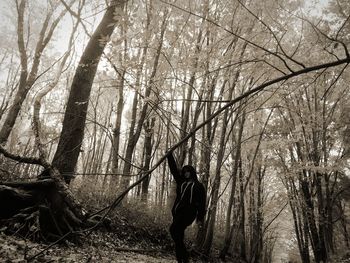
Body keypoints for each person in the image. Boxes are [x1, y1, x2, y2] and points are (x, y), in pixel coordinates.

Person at [167, 150, 206, 263]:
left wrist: (199, 218)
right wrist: (169, 156)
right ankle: (182, 259)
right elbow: (174, 170)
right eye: (184, 172)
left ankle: (185, 256)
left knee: (173, 230)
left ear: (192, 172)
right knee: (178, 236)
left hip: (189, 214)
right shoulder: (182, 182)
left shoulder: (198, 186)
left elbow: (202, 203)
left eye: (188, 171)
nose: (186, 173)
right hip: (178, 213)